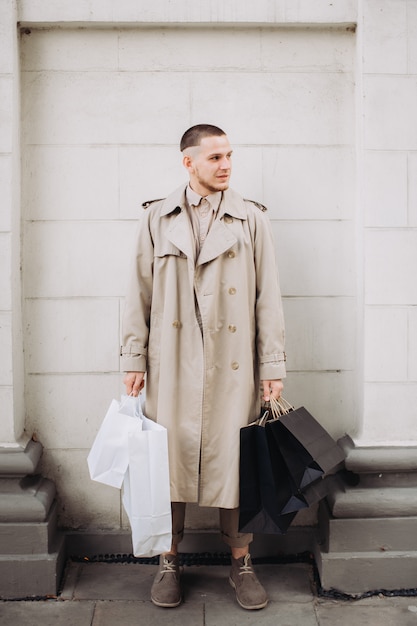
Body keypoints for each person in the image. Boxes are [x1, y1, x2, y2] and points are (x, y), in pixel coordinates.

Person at [120, 124, 286, 610]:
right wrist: (133, 357)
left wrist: (271, 364)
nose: (226, 165)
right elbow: (138, 294)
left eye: (229, 155)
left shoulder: (251, 220)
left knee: (237, 459)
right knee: (164, 460)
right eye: (214, 157)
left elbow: (267, 296)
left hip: (234, 366)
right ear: (187, 162)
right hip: (170, 362)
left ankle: (241, 560)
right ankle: (168, 560)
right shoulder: (157, 218)